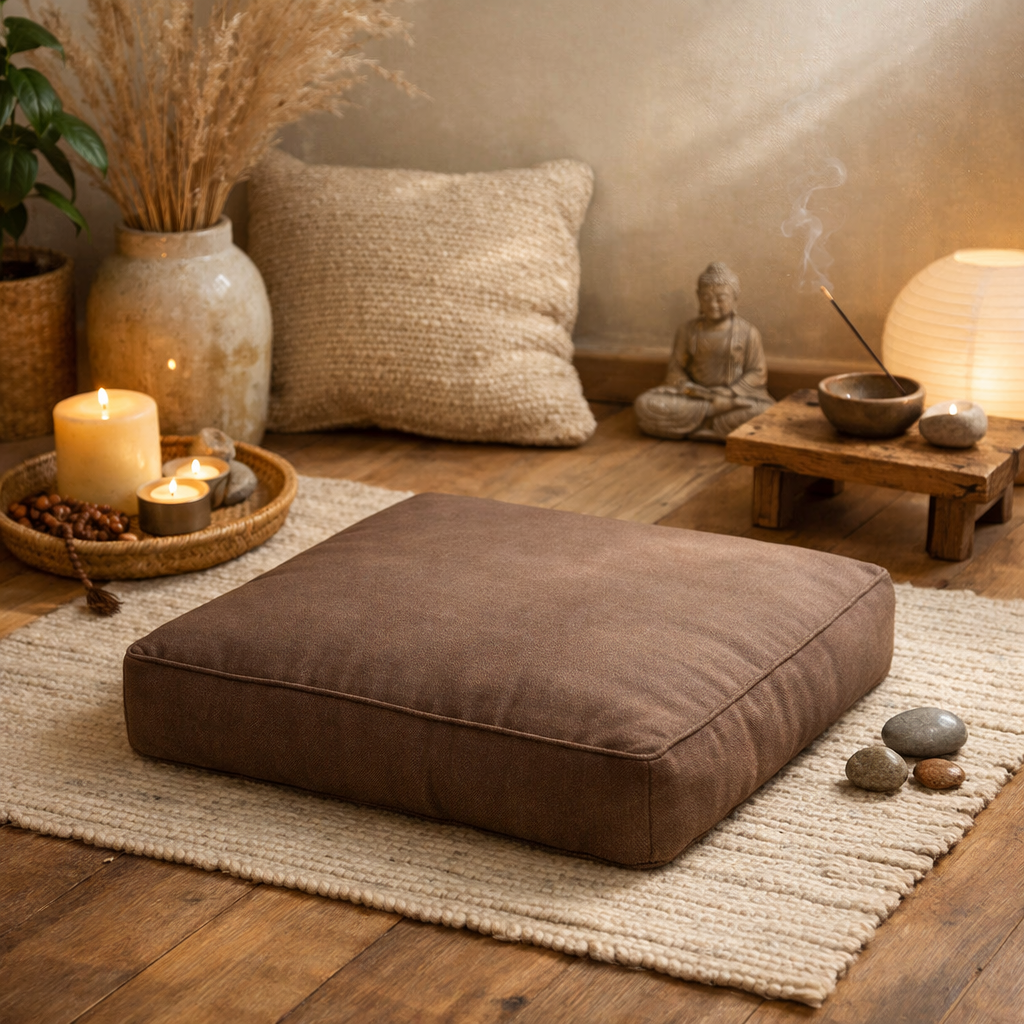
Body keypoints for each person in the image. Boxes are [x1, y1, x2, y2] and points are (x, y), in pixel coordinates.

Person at [634, 262, 774, 441]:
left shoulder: (748, 333)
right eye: (706, 297)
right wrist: (690, 388)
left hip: (733, 398)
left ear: (734, 297)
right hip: (697, 398)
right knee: (645, 404)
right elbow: (675, 370)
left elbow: (757, 373)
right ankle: (713, 418)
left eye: (721, 298)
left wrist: (730, 392)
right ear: (698, 297)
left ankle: (700, 424)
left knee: (765, 413)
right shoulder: (687, 330)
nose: (713, 304)